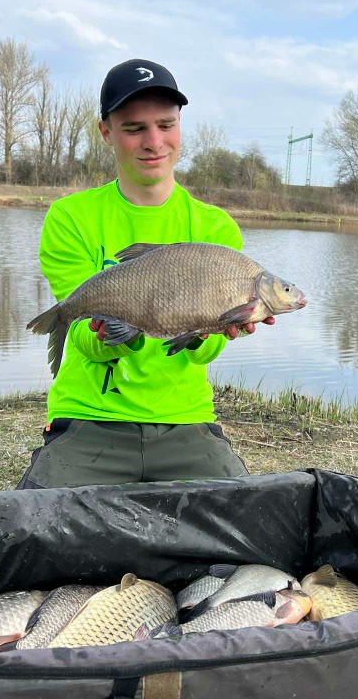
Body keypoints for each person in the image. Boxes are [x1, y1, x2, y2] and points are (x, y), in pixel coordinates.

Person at [16, 58, 274, 490]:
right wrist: (114, 333)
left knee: (245, 516)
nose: (154, 142)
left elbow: (200, 355)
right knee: (39, 519)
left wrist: (217, 329)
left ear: (179, 125)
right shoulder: (70, 217)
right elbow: (83, 340)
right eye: (134, 128)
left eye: (165, 125)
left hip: (185, 419)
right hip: (89, 418)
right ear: (106, 132)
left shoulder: (215, 228)